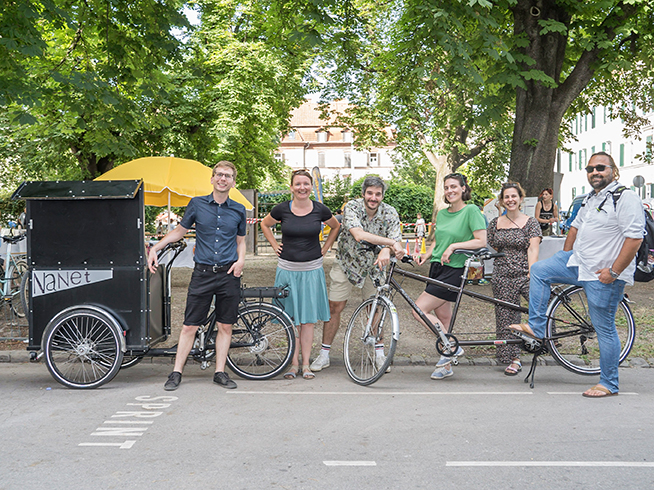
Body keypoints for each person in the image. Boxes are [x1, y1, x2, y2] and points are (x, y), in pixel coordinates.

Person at [510, 152, 644, 398]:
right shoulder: (591, 199)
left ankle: (609, 383)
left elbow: (635, 238)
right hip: (576, 263)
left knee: (603, 328)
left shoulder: (625, 197)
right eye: (590, 168)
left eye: (600, 167)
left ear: (613, 170)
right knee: (539, 270)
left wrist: (613, 272)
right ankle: (538, 327)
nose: (595, 172)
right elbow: (575, 227)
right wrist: (566, 254)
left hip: (602, 274)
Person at [148, 161, 246, 391]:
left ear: (233, 182)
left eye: (228, 176)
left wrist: (241, 260)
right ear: (212, 179)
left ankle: (220, 372)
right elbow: (179, 231)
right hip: (202, 273)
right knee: (189, 326)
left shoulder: (239, 209)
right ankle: (176, 372)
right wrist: (156, 248)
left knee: (225, 326)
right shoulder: (197, 204)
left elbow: (240, 241)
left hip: (229, 272)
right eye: (219, 175)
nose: (223, 179)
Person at [310, 176, 405, 372]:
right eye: (370, 193)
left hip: (375, 267)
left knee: (375, 308)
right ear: (363, 194)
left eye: (378, 194)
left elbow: (398, 242)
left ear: (382, 196)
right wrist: (389, 244)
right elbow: (359, 235)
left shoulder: (390, 212)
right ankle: (324, 354)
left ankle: (379, 354)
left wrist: (387, 249)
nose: (373, 197)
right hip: (347, 263)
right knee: (334, 306)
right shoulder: (352, 207)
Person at [260, 170, 340, 379]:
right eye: (298, 184)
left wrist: (326, 247)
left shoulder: (320, 209)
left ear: (311, 186)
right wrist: (274, 244)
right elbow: (264, 224)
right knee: (291, 319)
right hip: (287, 270)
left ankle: (306, 364)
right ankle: (293, 364)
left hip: (312, 271)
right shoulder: (282, 209)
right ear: (291, 187)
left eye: (306, 184)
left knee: (308, 320)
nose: (302, 187)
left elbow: (335, 226)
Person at [413, 173, 487, 380]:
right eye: (446, 187)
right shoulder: (443, 214)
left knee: (418, 310)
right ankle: (446, 363)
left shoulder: (471, 210)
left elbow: (481, 241)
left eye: (454, 186)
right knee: (444, 318)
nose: (450, 191)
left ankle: (452, 346)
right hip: (437, 267)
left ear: (463, 188)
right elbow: (438, 242)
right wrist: (425, 256)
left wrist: (455, 246)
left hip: (455, 269)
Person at [487, 182, 541, 376]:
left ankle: (545, 340)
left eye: (513, 196)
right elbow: (493, 244)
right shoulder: (495, 223)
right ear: (502, 201)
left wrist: (531, 271)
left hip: (525, 272)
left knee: (541, 306)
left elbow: (533, 247)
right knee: (505, 317)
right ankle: (513, 358)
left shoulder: (531, 222)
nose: (510, 200)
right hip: (502, 275)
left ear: (520, 199)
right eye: (506, 197)